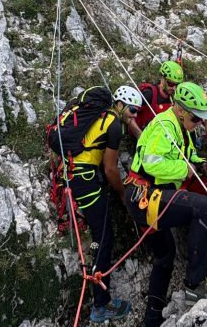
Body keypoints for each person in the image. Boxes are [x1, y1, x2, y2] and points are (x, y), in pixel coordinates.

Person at [123, 82, 207, 327]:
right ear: (181, 109)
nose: (197, 124)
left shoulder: (181, 127)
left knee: (165, 256)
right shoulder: (165, 126)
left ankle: (151, 320)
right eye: (195, 118)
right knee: (203, 208)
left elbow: (185, 154)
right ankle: (195, 286)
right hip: (145, 194)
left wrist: (201, 163)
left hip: (146, 197)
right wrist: (188, 169)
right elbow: (152, 163)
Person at [67, 85, 142, 323]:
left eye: (138, 111)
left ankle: (99, 300)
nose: (134, 116)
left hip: (71, 175)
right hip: (86, 181)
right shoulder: (114, 125)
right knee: (104, 236)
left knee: (101, 233)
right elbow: (110, 169)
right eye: (132, 110)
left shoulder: (99, 116)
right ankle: (100, 305)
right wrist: (122, 194)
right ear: (119, 105)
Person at [129, 60, 184, 137]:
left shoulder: (172, 98)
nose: (174, 88)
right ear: (163, 79)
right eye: (171, 84)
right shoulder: (149, 94)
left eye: (177, 85)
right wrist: (140, 136)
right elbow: (128, 114)